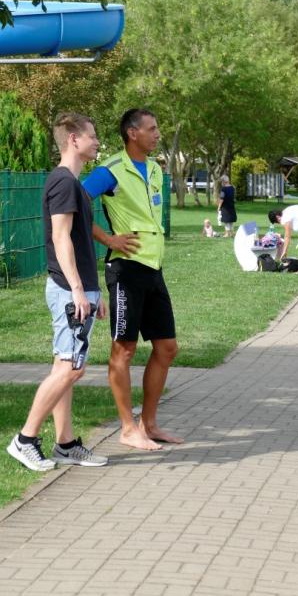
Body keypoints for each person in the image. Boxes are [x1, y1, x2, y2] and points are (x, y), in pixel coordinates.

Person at [7, 112, 108, 471]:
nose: (97, 142)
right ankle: (25, 440)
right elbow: (61, 238)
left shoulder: (73, 184)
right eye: (92, 136)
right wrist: (78, 290)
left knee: (66, 367)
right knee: (70, 368)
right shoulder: (63, 182)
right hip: (69, 290)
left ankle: (65, 444)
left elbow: (80, 241)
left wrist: (95, 292)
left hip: (79, 290)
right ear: (73, 139)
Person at [83, 108, 182, 451]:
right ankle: (127, 428)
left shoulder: (154, 169)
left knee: (167, 348)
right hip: (125, 270)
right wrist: (108, 239)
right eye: (151, 129)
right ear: (132, 133)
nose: (157, 134)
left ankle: (148, 424)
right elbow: (75, 203)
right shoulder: (110, 170)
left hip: (153, 268)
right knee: (124, 350)